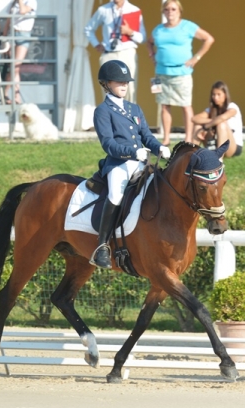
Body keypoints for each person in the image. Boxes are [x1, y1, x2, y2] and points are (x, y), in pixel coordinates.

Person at [90, 60, 170, 269]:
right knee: (116, 195)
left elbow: (146, 135)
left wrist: (159, 147)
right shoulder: (102, 111)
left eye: (126, 81)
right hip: (118, 164)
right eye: (119, 81)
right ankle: (102, 247)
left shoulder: (134, 108)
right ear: (106, 84)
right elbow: (108, 144)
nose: (124, 85)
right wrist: (132, 151)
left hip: (141, 162)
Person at [147, 0, 214, 145]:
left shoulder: (187, 26)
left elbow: (208, 39)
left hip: (182, 72)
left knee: (185, 105)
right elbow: (149, 42)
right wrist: (152, 54)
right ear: (163, 12)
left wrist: (196, 58)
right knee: (164, 105)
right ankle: (166, 139)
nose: (170, 12)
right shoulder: (158, 29)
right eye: (167, 9)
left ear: (179, 11)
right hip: (161, 72)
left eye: (173, 9)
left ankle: (188, 138)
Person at [84, 0, 146, 103]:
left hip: (127, 52)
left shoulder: (134, 10)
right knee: (109, 91)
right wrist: (96, 44)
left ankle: (128, 118)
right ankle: (111, 118)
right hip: (109, 54)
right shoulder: (103, 10)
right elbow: (88, 29)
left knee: (129, 90)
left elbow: (142, 38)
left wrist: (129, 32)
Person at [192, 81, 243, 158]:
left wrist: (205, 127)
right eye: (213, 94)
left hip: (232, 146)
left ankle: (219, 160)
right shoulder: (211, 110)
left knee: (221, 124)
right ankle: (191, 156)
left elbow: (223, 118)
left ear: (225, 95)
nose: (215, 97)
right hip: (214, 143)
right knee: (198, 127)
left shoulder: (232, 107)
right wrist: (212, 121)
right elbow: (194, 119)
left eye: (219, 95)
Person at [2, 0, 37, 104]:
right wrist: (4, 35)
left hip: (24, 34)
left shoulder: (32, 1)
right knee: (12, 66)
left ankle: (10, 94)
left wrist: (20, 2)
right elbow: (9, 19)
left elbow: (23, 11)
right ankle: (8, 95)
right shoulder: (13, 3)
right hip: (12, 33)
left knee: (16, 66)